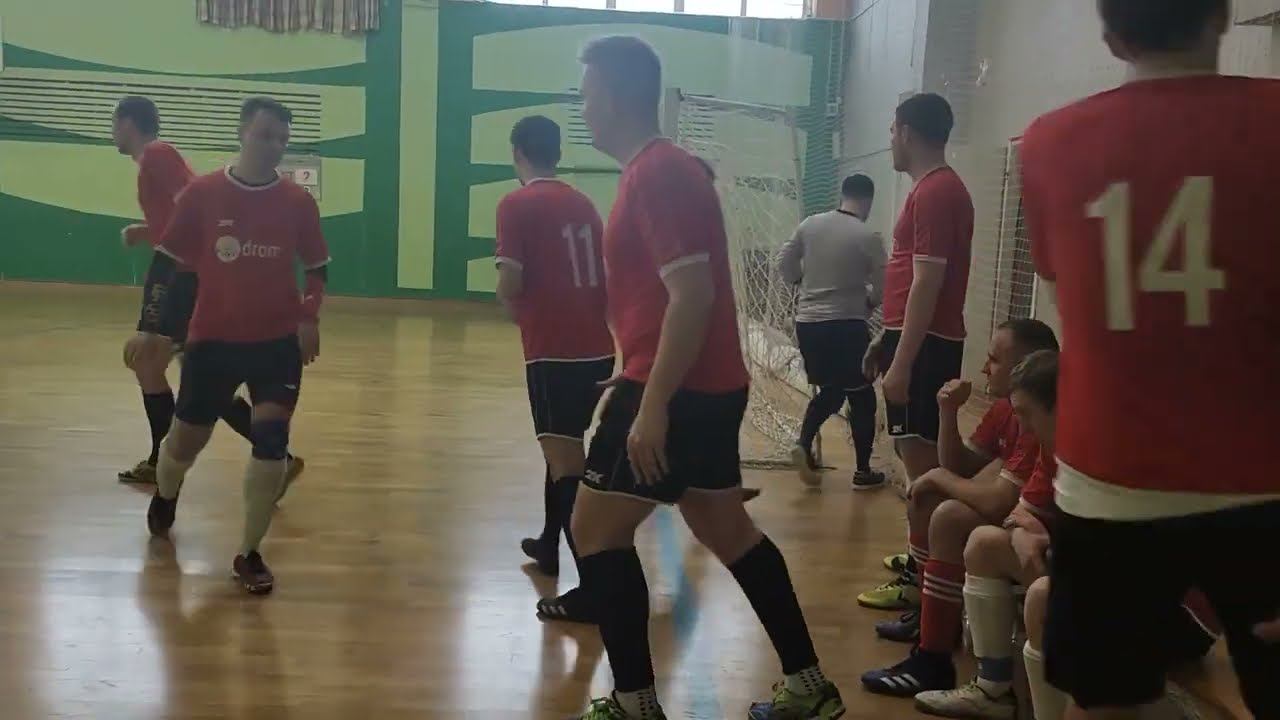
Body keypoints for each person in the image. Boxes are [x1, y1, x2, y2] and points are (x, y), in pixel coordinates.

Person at [567, 35, 844, 720]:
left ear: (616, 97)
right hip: (693, 383)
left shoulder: (658, 172)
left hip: (680, 391)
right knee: (725, 526)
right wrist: (636, 373)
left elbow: (692, 296)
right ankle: (809, 685)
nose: (583, 106)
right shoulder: (656, 170)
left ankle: (633, 702)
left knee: (594, 531)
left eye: (588, 93)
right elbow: (665, 300)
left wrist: (652, 402)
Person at [1019, 1, 1280, 716]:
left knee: (1102, 701)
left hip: (1110, 480)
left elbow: (1067, 300)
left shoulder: (1048, 142)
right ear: (1223, 15)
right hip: (1262, 478)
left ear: (1110, 37)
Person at [914, 351, 1221, 719]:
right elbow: (1019, 514)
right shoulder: (1057, 445)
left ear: (1064, 407)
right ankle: (993, 691)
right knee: (985, 544)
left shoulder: (1120, 451)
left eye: (1026, 413)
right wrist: (1024, 535)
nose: (1022, 428)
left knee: (1045, 597)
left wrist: (1048, 543)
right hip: (1115, 581)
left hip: (1179, 608)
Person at [124, 97, 330, 595]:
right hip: (213, 342)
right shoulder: (203, 194)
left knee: (271, 443)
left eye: (282, 139)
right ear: (242, 133)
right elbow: (165, 262)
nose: (274, 146)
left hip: (277, 346)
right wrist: (150, 326)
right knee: (184, 444)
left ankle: (249, 552)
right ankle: (167, 492)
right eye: (265, 135)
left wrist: (308, 316)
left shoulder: (298, 203)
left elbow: (317, 267)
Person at [111, 96, 303, 489]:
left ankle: (162, 461)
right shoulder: (156, 159)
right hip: (189, 277)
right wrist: (146, 231)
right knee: (193, 376)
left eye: (115, 123)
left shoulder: (157, 154)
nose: (113, 132)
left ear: (127, 122)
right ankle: (278, 457)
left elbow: (194, 203)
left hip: (183, 279)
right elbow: (184, 215)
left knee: (151, 364)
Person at [860, 320, 1057, 696]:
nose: (984, 368)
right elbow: (961, 468)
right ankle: (934, 626)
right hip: (1040, 538)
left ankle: (940, 656)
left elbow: (997, 500)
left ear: (1026, 365)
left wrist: (939, 476)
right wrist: (947, 412)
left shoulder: (1041, 423)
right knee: (931, 500)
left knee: (951, 516)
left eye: (994, 359)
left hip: (1063, 554)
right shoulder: (1009, 410)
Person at [494, 115, 615, 622]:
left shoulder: (515, 204)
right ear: (558, 153)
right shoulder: (583, 203)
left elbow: (510, 283)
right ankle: (549, 543)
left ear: (517, 151)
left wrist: (512, 305)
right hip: (597, 349)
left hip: (554, 352)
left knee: (565, 461)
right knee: (564, 445)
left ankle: (594, 586)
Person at [863, 92, 974, 493]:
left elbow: (928, 281)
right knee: (909, 451)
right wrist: (887, 336)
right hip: (915, 339)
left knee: (921, 462)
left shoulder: (936, 192)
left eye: (893, 130)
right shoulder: (929, 190)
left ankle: (930, 538)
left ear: (907, 133)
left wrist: (902, 363)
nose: (891, 139)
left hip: (927, 345)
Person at [777, 172, 887, 490]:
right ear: (868, 200)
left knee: (833, 390)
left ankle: (803, 443)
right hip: (846, 326)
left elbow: (783, 262)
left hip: (808, 325)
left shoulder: (810, 224)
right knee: (862, 397)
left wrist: (801, 282)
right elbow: (884, 284)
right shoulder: (868, 236)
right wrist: (870, 302)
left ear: (842, 194)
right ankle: (863, 471)